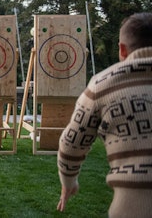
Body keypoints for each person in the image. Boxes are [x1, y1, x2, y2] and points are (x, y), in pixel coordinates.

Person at [56, 12, 152, 218]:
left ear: (122, 49)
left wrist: (68, 182)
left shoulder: (104, 84)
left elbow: (70, 144)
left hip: (131, 210)